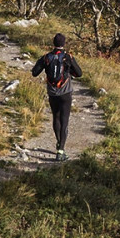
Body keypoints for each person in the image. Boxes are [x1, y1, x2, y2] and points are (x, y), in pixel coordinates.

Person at [31, 33, 83, 161]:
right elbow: (79, 74)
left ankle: (58, 142)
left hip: (52, 93)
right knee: (64, 120)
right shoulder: (68, 57)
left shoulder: (46, 57)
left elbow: (34, 73)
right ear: (64, 44)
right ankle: (61, 150)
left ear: (53, 43)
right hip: (65, 93)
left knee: (56, 117)